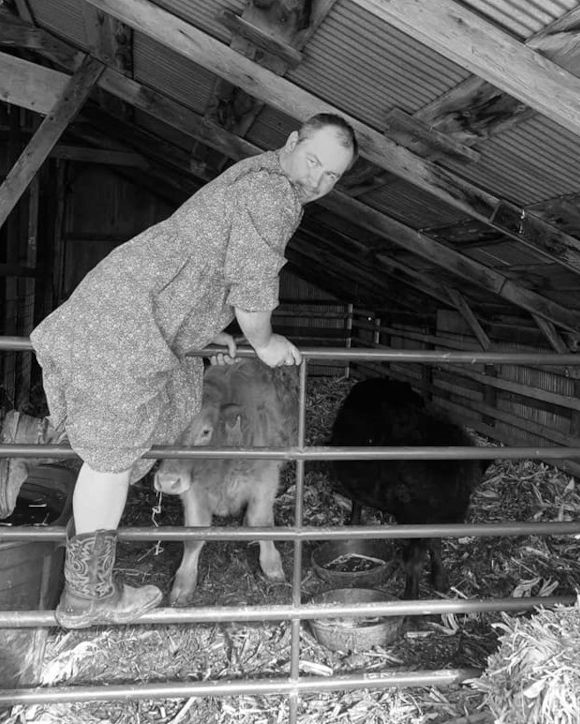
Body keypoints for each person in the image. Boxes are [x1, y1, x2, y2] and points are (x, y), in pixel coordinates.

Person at [29, 113, 358, 628]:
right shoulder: (275, 196)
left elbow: (201, 259)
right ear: (291, 143)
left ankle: (31, 434)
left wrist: (201, 332)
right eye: (314, 160)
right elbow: (252, 283)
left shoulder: (255, 176)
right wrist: (265, 343)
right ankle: (87, 596)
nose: (316, 181)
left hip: (129, 308)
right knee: (111, 462)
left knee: (149, 423)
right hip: (128, 323)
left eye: (332, 175)